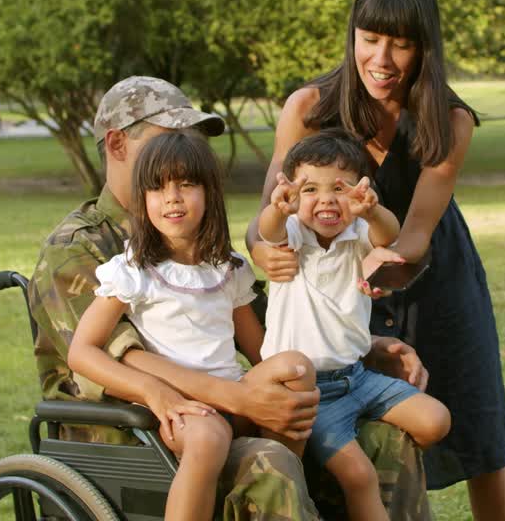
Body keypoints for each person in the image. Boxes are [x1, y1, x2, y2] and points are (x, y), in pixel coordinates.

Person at [29, 76, 430, 520]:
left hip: (221, 407)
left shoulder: (204, 243)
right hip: (129, 427)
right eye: (170, 138)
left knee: (384, 437)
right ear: (118, 144)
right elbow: (122, 357)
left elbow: (265, 336)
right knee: (270, 460)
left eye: (192, 145)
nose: (185, 153)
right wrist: (238, 399)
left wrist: (357, 350)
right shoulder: (80, 248)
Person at [247, 0, 505, 520]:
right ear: (353, 36)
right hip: (330, 291)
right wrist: (262, 249)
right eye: (371, 39)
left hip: (431, 283)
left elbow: (416, 234)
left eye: (402, 44)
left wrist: (382, 254)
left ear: (425, 48)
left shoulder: (450, 119)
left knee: (479, 438)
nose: (383, 59)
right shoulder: (307, 107)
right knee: (353, 441)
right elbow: (265, 217)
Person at [71, 131, 320, 520]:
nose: (171, 197)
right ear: (143, 200)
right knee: (208, 436)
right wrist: (152, 389)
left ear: (209, 194)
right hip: (182, 408)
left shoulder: (228, 267)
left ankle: (281, 478)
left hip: (231, 395)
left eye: (185, 184)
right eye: (157, 188)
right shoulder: (135, 270)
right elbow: (81, 351)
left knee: (295, 367)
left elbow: (260, 351)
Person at [258, 130, 450, 521]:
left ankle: (345, 430)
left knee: (435, 421)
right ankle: (329, 441)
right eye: (310, 188)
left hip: (358, 378)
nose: (326, 199)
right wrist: (278, 209)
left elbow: (390, 234)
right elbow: (267, 230)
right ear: (293, 196)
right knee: (360, 477)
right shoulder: (292, 237)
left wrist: (371, 211)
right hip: (312, 392)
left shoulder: (358, 236)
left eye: (340, 188)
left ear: (360, 192)